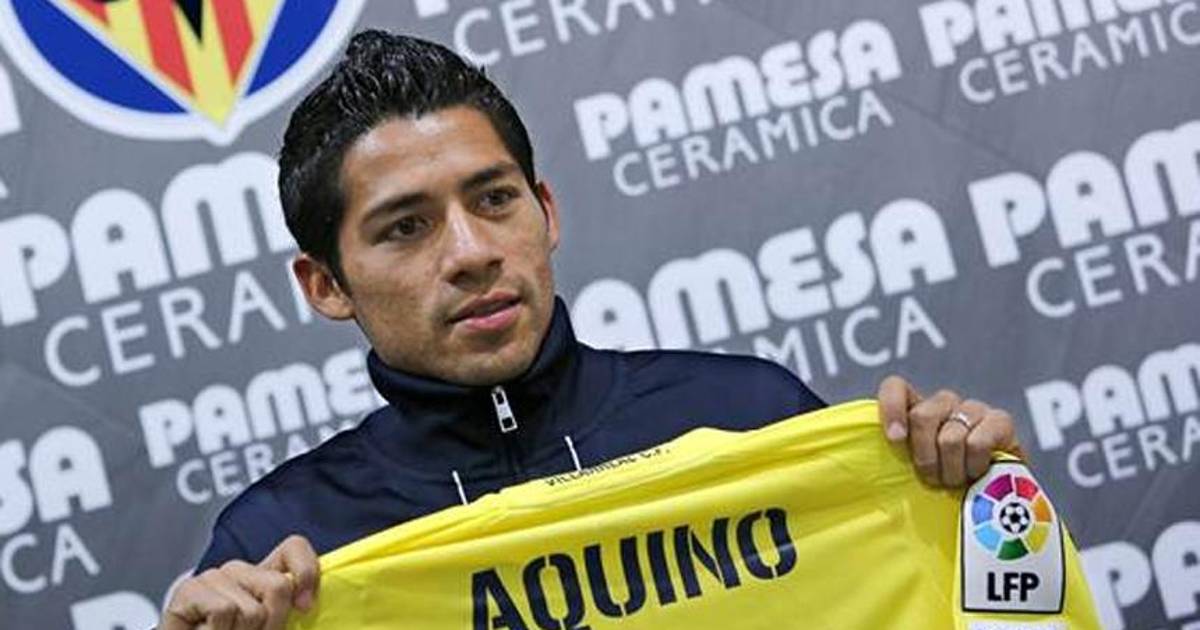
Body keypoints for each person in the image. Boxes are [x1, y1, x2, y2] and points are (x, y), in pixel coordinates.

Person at [159, 30, 1022, 630]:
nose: (471, 253)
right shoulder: (283, 546)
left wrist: (975, 504)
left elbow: (981, 604)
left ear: (545, 212)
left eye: (494, 199)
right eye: (406, 227)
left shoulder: (750, 414)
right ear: (325, 285)